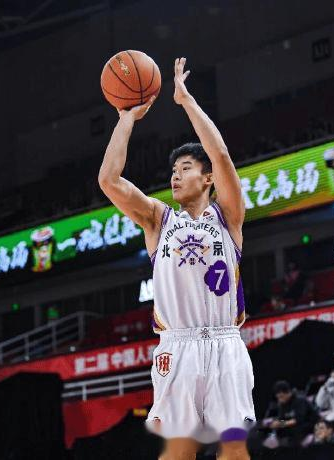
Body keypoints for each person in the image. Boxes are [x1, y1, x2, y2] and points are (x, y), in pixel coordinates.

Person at [99, 57, 254, 460]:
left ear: (207, 179)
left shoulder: (228, 217)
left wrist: (186, 102)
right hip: (176, 346)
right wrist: (126, 119)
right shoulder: (158, 219)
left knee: (234, 449)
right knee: (179, 452)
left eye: (185, 168)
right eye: (173, 170)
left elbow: (221, 156)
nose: (175, 175)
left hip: (225, 342)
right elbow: (109, 181)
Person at [261, 381, 317, 449]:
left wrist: (281, 424)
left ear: (287, 393)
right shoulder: (282, 404)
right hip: (293, 425)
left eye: (281, 396)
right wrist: (276, 424)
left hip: (307, 423)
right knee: (279, 432)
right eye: (278, 397)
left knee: (296, 431)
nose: (279, 399)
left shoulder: (299, 400)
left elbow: (298, 419)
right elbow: (282, 419)